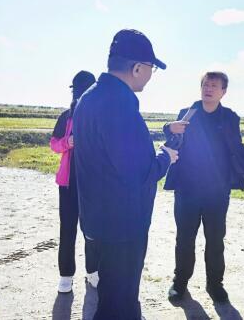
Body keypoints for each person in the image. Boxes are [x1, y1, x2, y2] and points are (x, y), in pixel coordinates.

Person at [73, 29, 178, 320]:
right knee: (119, 304)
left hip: (98, 218)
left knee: (111, 298)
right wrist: (165, 157)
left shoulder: (90, 97)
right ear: (136, 68)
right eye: (151, 68)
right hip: (122, 224)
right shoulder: (119, 104)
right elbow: (139, 172)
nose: (150, 75)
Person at [163, 71, 244, 303]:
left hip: (217, 189)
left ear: (223, 91)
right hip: (187, 188)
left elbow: (237, 146)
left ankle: (215, 284)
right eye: (205, 84)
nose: (209, 88)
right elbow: (171, 138)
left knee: (215, 239)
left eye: (214, 85)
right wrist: (168, 127)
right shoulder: (188, 113)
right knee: (185, 238)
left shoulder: (229, 117)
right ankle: (180, 282)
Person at [50, 70, 98, 293]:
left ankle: (93, 271)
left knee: (92, 230)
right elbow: (54, 145)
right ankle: (66, 275)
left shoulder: (99, 116)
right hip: (68, 184)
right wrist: (68, 141)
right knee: (67, 230)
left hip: (92, 184)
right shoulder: (65, 117)